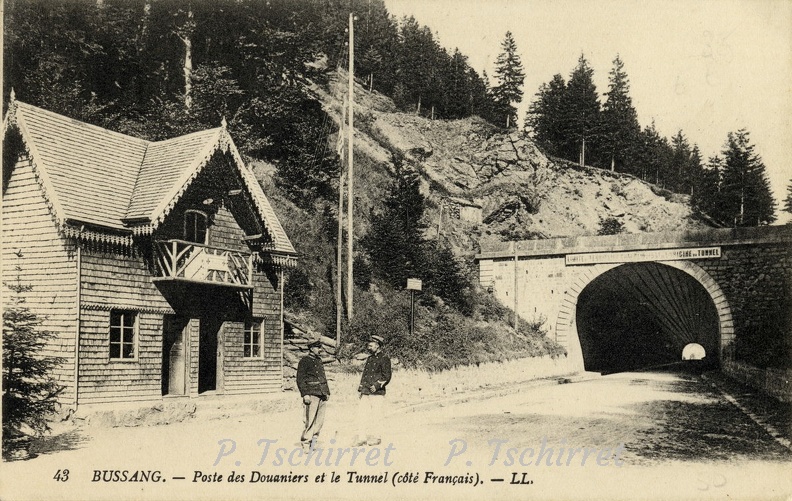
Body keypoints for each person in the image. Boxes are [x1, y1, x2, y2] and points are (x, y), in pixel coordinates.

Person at [354, 335, 391, 446]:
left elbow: (386, 376)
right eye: (368, 345)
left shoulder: (384, 358)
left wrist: (376, 386)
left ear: (377, 345)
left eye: (371, 345)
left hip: (377, 392)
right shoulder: (370, 358)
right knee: (362, 415)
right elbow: (365, 375)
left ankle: (376, 437)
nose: (369, 347)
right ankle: (362, 438)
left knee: (376, 415)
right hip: (366, 391)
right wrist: (361, 388)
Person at [296, 339, 330, 452]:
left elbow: (323, 377)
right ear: (311, 349)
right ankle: (306, 442)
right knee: (309, 420)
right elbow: (300, 379)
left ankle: (313, 442)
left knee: (320, 420)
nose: (320, 350)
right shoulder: (304, 361)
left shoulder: (319, 360)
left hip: (322, 393)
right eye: (317, 348)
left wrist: (327, 392)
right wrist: (305, 394)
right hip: (311, 394)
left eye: (320, 347)